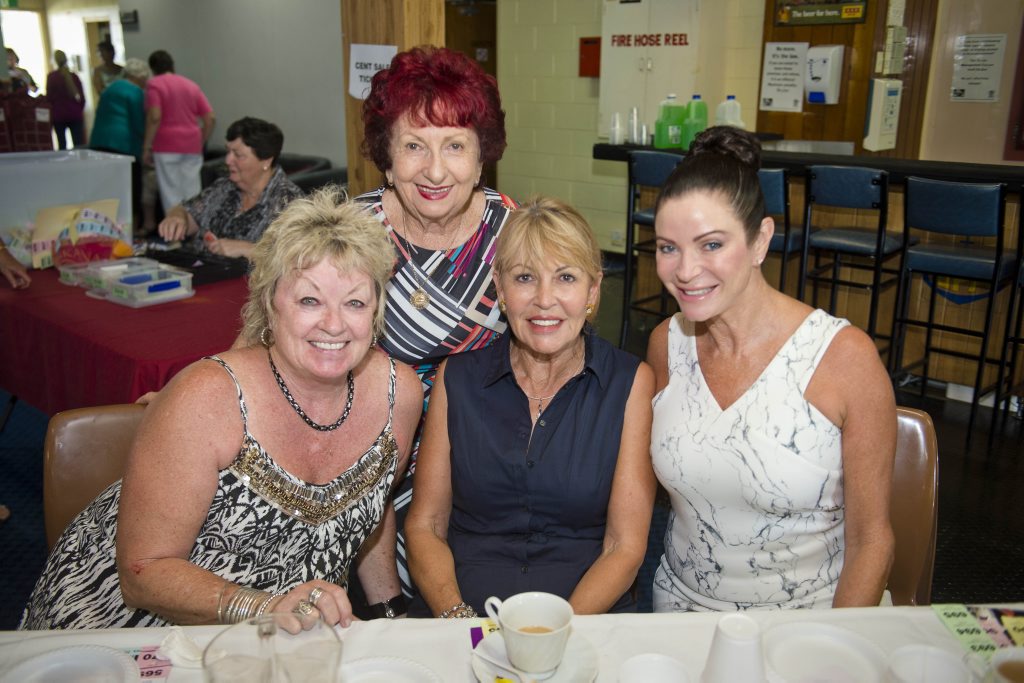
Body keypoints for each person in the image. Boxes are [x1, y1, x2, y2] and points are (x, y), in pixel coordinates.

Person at [20, 188, 423, 630]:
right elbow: (144, 572)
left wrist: (390, 614)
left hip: (291, 628)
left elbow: (372, 503)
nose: (334, 323)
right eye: (309, 300)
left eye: (355, 303)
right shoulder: (207, 397)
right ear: (270, 305)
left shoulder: (397, 393)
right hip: (129, 624)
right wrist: (262, 607)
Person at [647, 126, 896, 612]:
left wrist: (830, 650)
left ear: (761, 240)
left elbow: (873, 542)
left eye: (712, 245)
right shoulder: (667, 345)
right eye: (667, 247)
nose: (685, 270)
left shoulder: (842, 358)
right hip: (678, 608)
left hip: (809, 618)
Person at [405, 197, 656, 618]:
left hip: (582, 617)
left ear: (592, 291)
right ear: (500, 290)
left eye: (565, 278)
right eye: (525, 278)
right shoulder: (459, 378)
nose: (544, 299)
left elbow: (623, 547)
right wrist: (458, 619)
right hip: (464, 611)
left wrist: (555, 635)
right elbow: (425, 524)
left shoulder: (630, 382)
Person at [353, 45, 516, 603]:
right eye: (414, 146)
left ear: (480, 156)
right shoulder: (352, 232)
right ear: (387, 154)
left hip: (482, 458)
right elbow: (279, 329)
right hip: (364, 457)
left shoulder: (514, 238)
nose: (436, 170)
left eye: (455, 146)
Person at [157, 117, 303, 258]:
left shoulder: (290, 202)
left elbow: (298, 257)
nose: (228, 160)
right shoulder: (224, 186)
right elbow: (189, 214)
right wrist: (177, 216)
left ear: (266, 161)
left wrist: (248, 250)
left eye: (238, 155)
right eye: (228, 151)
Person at [143, 49, 215, 212]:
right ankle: (195, 231)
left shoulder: (154, 84)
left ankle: (175, 234)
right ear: (172, 66)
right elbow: (210, 118)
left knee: (171, 191)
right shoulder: (191, 85)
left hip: (166, 146)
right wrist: (201, 140)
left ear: (153, 69)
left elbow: (155, 116)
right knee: (193, 191)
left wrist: (147, 146)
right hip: (191, 145)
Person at [90, 57, 151, 230]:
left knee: (107, 188)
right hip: (123, 145)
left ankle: (106, 225)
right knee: (131, 187)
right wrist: (147, 145)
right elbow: (139, 123)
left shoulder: (110, 89)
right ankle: (131, 227)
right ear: (140, 77)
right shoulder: (135, 92)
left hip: (99, 142)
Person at [46, 50, 86, 149]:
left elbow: (49, 98)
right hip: (75, 113)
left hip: (58, 115)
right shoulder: (74, 76)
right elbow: (82, 98)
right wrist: (79, 109)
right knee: (79, 145)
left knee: (62, 145)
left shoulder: (52, 77)